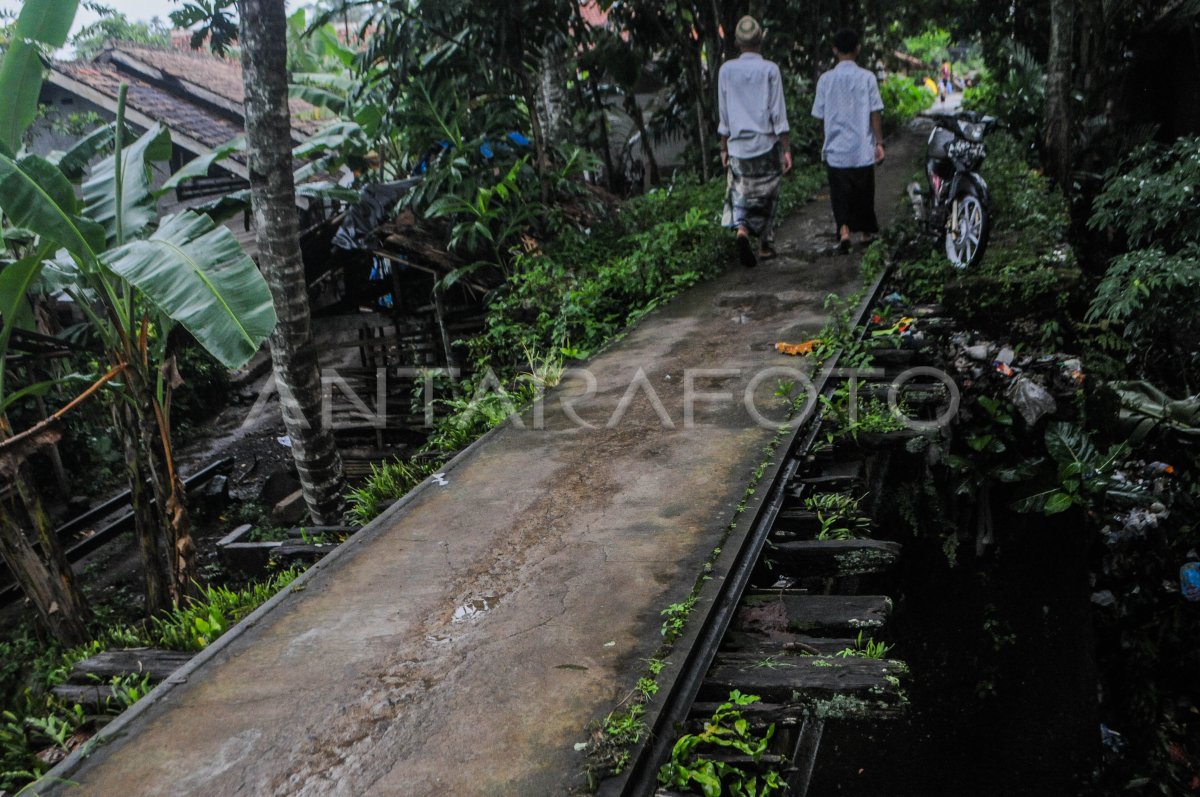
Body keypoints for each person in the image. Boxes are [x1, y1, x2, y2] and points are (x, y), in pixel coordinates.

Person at [718, 15, 792, 268]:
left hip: (738, 146)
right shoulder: (770, 69)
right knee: (767, 193)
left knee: (740, 191)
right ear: (761, 40)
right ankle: (765, 245)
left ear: (738, 43)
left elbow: (724, 115)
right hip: (766, 144)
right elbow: (777, 113)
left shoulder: (726, 70)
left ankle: (741, 230)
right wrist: (786, 148)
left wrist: (723, 147)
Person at [811, 28, 885, 253]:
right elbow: (875, 112)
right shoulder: (867, 77)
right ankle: (865, 232)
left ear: (834, 50)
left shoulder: (825, 80)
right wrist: (879, 142)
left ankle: (844, 232)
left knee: (840, 193)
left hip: (836, 149)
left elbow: (819, 116)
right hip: (862, 147)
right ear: (858, 49)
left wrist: (825, 139)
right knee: (863, 192)